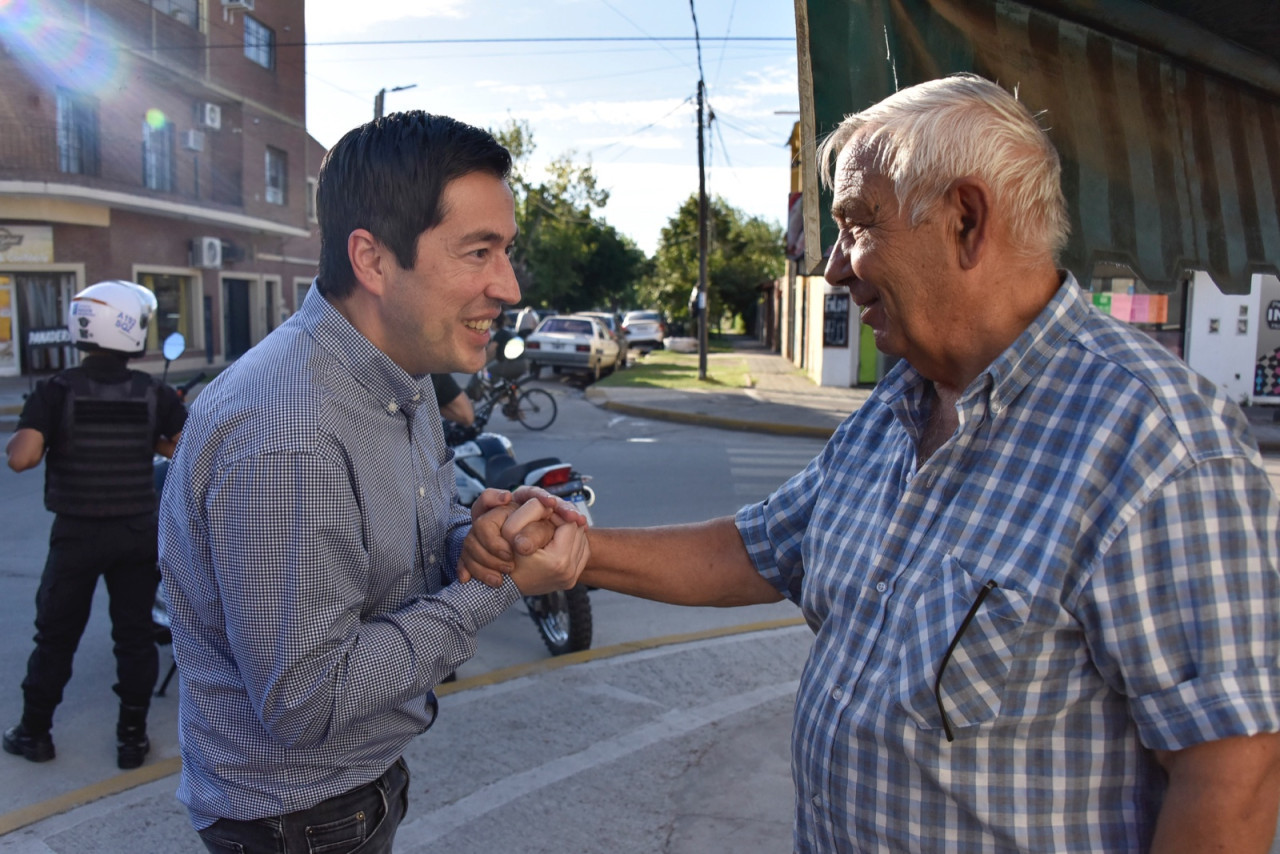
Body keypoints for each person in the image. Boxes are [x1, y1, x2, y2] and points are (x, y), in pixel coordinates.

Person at [493, 74, 1280, 851]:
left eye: (857, 225)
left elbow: (1230, 780)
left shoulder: (1159, 444)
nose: (832, 269)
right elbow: (760, 549)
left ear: (966, 220)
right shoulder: (899, 399)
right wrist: (581, 551)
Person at [158, 111, 588, 853]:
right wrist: (499, 587)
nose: (509, 285)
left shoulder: (402, 370)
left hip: (355, 791)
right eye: (478, 252)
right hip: (295, 822)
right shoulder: (287, 437)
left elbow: (405, 531)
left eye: (506, 251)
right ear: (373, 259)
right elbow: (305, 701)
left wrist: (473, 535)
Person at [4, 280, 187, 770]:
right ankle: (131, 741)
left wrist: (36, 436)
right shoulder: (152, 392)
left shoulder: (56, 390)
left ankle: (35, 733)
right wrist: (150, 442)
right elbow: (183, 446)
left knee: (56, 635)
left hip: (77, 536)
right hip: (135, 534)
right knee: (133, 637)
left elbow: (22, 458)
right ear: (130, 330)